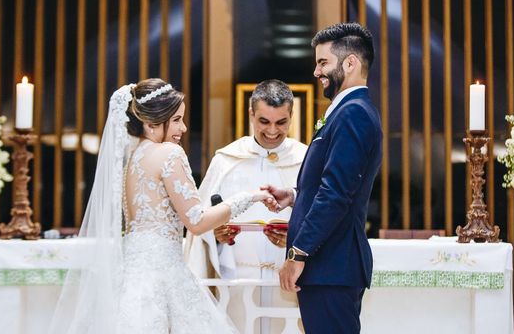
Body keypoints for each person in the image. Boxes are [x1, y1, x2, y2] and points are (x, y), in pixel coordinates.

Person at [48, 79, 274, 334]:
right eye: (176, 120)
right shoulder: (170, 153)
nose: (184, 128)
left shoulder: (133, 158)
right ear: (151, 122)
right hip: (160, 275)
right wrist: (248, 197)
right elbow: (197, 222)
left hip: (130, 273)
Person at [263, 23, 383, 334]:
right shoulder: (347, 111)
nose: (316, 72)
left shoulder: (353, 113)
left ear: (350, 63)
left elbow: (336, 194)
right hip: (330, 267)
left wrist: (298, 253)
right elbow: (332, 184)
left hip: (331, 265)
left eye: (322, 62)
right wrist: (296, 194)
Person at [185, 79, 307, 333]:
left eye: (281, 122)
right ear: (251, 114)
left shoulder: (306, 160)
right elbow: (199, 225)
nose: (272, 131)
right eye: (264, 121)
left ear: (291, 116)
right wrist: (216, 236)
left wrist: (294, 237)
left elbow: (322, 220)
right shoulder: (226, 161)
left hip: (289, 285)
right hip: (237, 283)